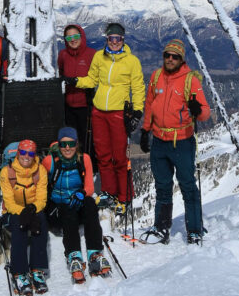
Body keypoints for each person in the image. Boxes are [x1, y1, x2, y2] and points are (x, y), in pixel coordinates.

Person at [140, 39, 211, 245]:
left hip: (182, 141)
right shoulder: (156, 77)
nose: (170, 59)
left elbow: (205, 112)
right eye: (167, 55)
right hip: (159, 141)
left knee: (188, 186)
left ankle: (195, 229)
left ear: (181, 59)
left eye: (175, 56)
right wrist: (145, 130)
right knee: (162, 186)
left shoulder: (190, 80)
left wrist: (198, 110)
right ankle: (161, 227)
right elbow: (150, 104)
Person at [70, 22, 145, 213]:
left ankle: (124, 197)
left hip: (119, 112)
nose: (114, 42)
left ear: (123, 39)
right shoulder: (99, 57)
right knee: (103, 155)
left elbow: (137, 88)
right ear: (107, 39)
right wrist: (75, 81)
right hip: (99, 111)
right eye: (111, 38)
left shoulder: (132, 61)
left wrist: (137, 112)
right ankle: (108, 192)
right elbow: (92, 80)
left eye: (118, 39)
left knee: (119, 157)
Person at [42, 126, 110, 283]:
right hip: (57, 211)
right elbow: (40, 186)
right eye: (63, 144)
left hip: (76, 204)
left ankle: (95, 253)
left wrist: (81, 193)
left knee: (90, 203)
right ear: (59, 145)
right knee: (67, 208)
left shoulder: (84, 159)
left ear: (76, 144)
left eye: (71, 144)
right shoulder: (49, 161)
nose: (67, 148)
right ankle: (74, 256)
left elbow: (89, 187)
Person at [0, 138, 49, 296]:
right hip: (13, 212)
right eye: (23, 152)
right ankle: (19, 272)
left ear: (35, 155)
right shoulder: (7, 172)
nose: (26, 156)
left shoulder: (40, 170)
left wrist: (32, 210)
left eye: (30, 153)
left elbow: (42, 198)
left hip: (34, 209)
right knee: (18, 225)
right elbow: (9, 201)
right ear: (18, 153)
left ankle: (37, 269)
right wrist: (24, 213)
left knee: (41, 223)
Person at [57, 24, 96, 156]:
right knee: (71, 141)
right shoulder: (63, 55)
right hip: (68, 106)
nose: (73, 40)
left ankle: (89, 165)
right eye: (69, 37)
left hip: (86, 106)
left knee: (87, 141)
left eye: (76, 36)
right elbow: (61, 72)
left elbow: (96, 78)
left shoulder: (92, 54)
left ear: (82, 36)